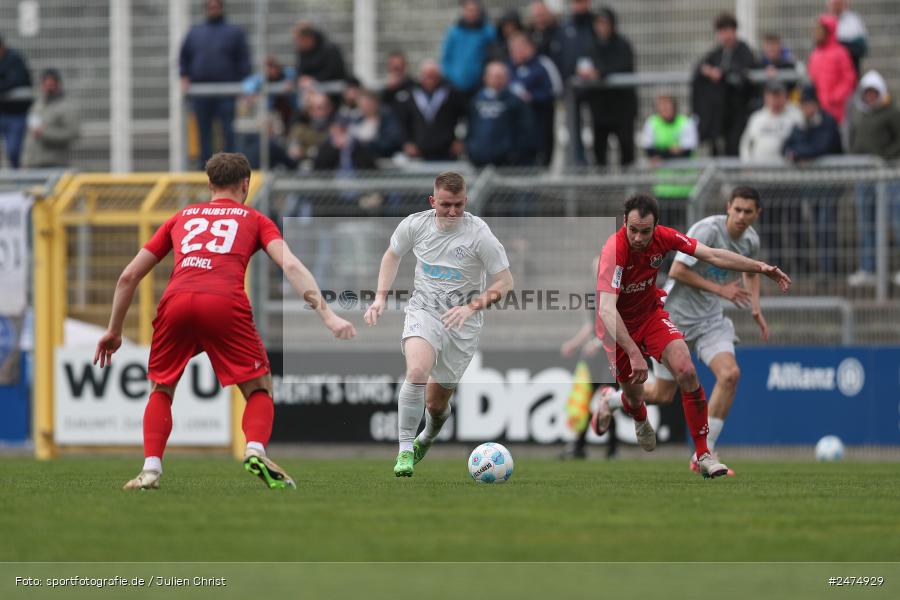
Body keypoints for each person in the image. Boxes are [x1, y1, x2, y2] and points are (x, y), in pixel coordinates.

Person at [93, 152, 356, 490]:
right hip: (223, 303)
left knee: (162, 388)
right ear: (245, 184)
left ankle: (150, 470)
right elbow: (290, 265)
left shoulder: (181, 217)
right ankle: (255, 450)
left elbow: (128, 276)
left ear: (210, 184)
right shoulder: (255, 219)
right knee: (259, 387)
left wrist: (114, 330)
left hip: (176, 302)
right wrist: (328, 314)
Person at [590, 193, 791, 478]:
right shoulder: (614, 250)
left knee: (687, 371)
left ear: (656, 226)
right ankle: (629, 408)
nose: (637, 238)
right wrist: (634, 352)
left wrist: (759, 267)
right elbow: (607, 310)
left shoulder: (664, 237)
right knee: (639, 397)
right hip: (618, 327)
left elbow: (712, 255)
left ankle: (703, 455)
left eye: (645, 231)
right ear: (624, 222)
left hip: (651, 316)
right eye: (632, 230)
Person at [363, 171, 514, 478]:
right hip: (424, 310)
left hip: (463, 323)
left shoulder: (479, 234)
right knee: (417, 371)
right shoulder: (415, 225)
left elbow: (506, 282)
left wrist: (471, 307)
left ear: (466, 200)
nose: (453, 212)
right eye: (446, 204)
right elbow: (392, 255)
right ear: (433, 200)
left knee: (435, 404)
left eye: (458, 204)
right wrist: (380, 298)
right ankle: (405, 450)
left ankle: (427, 436)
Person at [179, 0, 251, 168]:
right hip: (200, 92)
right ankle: (205, 169)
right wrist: (184, 76)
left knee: (227, 131)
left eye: (216, 5)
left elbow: (243, 60)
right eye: (210, 5)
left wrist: (245, 87)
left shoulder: (234, 32)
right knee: (203, 133)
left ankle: (231, 169)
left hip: (227, 91)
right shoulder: (195, 32)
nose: (213, 8)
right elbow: (184, 57)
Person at [846, 70, 900, 288]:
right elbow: (853, 140)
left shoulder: (892, 112)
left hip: (888, 175)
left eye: (873, 92)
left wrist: (886, 157)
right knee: (866, 222)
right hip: (865, 176)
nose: (869, 96)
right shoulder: (860, 114)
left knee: (896, 221)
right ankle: (868, 268)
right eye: (866, 92)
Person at [783, 85, 843, 277]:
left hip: (830, 184)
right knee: (818, 227)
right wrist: (796, 153)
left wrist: (798, 153)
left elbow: (821, 147)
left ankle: (829, 269)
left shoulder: (827, 122)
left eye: (807, 104)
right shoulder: (800, 123)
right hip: (811, 185)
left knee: (825, 226)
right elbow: (785, 146)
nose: (805, 109)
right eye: (802, 105)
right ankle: (826, 269)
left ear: (815, 105)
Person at [691, 13, 757, 156]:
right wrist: (707, 70)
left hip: (738, 111)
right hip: (719, 113)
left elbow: (742, 73)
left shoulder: (744, 51)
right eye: (721, 32)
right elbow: (700, 66)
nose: (725, 36)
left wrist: (721, 74)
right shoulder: (718, 52)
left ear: (734, 31)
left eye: (728, 31)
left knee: (735, 148)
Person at [640, 94, 699, 231]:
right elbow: (649, 150)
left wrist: (661, 153)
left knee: (686, 231)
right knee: (663, 231)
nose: (665, 110)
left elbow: (686, 152)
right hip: (662, 188)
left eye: (668, 107)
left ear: (675, 107)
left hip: (685, 188)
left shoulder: (685, 122)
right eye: (662, 107)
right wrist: (672, 151)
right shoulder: (652, 122)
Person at [586, 7, 637, 167]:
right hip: (600, 109)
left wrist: (600, 73)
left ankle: (630, 187)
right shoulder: (591, 46)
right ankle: (601, 188)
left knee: (626, 149)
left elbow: (624, 66)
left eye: (604, 23)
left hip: (622, 108)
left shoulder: (622, 45)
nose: (601, 28)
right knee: (599, 151)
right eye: (598, 24)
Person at [466, 62, 536, 167]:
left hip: (507, 163)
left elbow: (525, 130)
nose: (497, 80)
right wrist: (471, 151)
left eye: (500, 76)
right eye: (494, 76)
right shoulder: (476, 101)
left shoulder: (516, 102)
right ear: (486, 77)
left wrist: (514, 154)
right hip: (479, 160)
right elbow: (470, 127)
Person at [507, 32, 562, 166]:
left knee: (541, 156)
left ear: (529, 47)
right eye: (512, 49)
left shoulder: (543, 64)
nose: (515, 53)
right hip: (516, 128)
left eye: (518, 48)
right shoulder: (507, 67)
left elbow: (555, 89)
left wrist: (532, 97)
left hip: (540, 121)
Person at [395, 60, 467, 161]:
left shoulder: (452, 94)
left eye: (433, 76)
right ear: (421, 76)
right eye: (426, 76)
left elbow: (464, 118)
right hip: (418, 152)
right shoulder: (410, 95)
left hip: (447, 151)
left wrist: (460, 140)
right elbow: (402, 122)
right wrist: (406, 142)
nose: (430, 80)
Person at [559, 0, 598, 165]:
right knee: (573, 128)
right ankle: (578, 164)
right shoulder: (566, 27)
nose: (578, 6)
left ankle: (598, 164)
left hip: (596, 86)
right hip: (572, 87)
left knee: (599, 126)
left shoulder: (596, 23)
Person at [21, 69, 80, 169]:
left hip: (55, 165)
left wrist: (45, 133)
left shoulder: (66, 107)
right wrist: (25, 161)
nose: (49, 89)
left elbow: (73, 133)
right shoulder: (36, 106)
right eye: (46, 85)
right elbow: (29, 137)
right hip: (33, 165)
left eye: (51, 85)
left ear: (58, 85)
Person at [441, 0, 497, 97]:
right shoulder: (454, 32)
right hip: (455, 84)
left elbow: (493, 55)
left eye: (474, 10)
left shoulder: (488, 32)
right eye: (468, 10)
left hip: (479, 84)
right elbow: (446, 57)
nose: (471, 13)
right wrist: (450, 76)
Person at [808, 13, 856, 125]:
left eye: (819, 30)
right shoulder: (815, 53)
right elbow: (812, 79)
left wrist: (834, 98)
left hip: (837, 109)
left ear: (828, 31)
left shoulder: (841, 53)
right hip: (818, 109)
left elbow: (849, 79)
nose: (815, 33)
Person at [739, 81, 803, 162]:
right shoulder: (757, 118)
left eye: (778, 95)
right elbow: (746, 144)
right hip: (759, 169)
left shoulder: (796, 117)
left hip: (786, 170)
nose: (775, 100)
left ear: (785, 96)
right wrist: (747, 165)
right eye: (771, 96)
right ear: (766, 97)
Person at [0, 35, 33, 169]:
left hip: (16, 113)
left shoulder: (15, 59)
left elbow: (18, 80)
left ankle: (17, 177)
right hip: (2, 112)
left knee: (13, 150)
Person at [293, 22, 348, 86]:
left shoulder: (329, 49)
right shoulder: (302, 51)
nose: (297, 44)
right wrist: (301, 79)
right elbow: (300, 71)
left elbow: (334, 72)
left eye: (299, 41)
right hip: (310, 87)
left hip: (333, 88)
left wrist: (315, 79)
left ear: (308, 38)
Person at [828, 0, 868, 77]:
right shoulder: (825, 21)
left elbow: (861, 48)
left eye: (839, 3)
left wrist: (840, 46)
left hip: (850, 68)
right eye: (834, 4)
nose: (836, 7)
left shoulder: (854, 21)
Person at [527, 1, 563, 68]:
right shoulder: (529, 35)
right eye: (536, 16)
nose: (539, 19)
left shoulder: (559, 32)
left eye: (541, 15)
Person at [381, 51, 415, 116]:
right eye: (394, 67)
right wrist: (390, 90)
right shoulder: (385, 92)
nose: (396, 68)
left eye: (399, 66)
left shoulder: (413, 87)